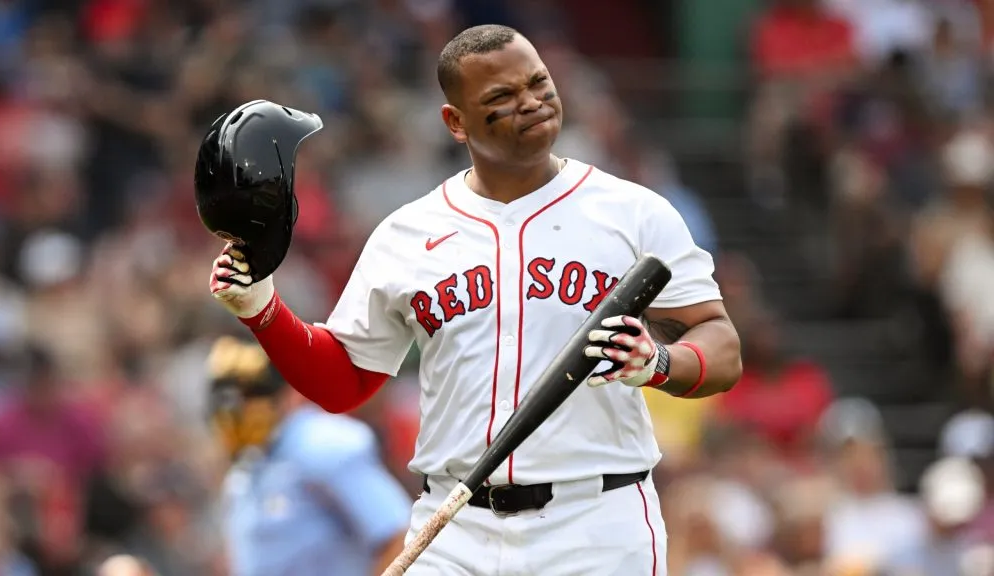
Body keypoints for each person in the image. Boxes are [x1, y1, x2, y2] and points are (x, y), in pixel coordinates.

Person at [206, 24, 742, 575]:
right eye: (502, 97)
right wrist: (262, 310)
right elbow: (344, 382)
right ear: (455, 122)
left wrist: (657, 363)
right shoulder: (407, 233)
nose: (531, 102)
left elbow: (720, 345)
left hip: (595, 522)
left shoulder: (634, 213)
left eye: (539, 83)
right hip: (455, 525)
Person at [205, 336, 409, 576]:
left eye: (249, 398)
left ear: (285, 394)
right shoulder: (245, 471)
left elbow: (399, 536)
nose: (235, 415)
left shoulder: (320, 444)